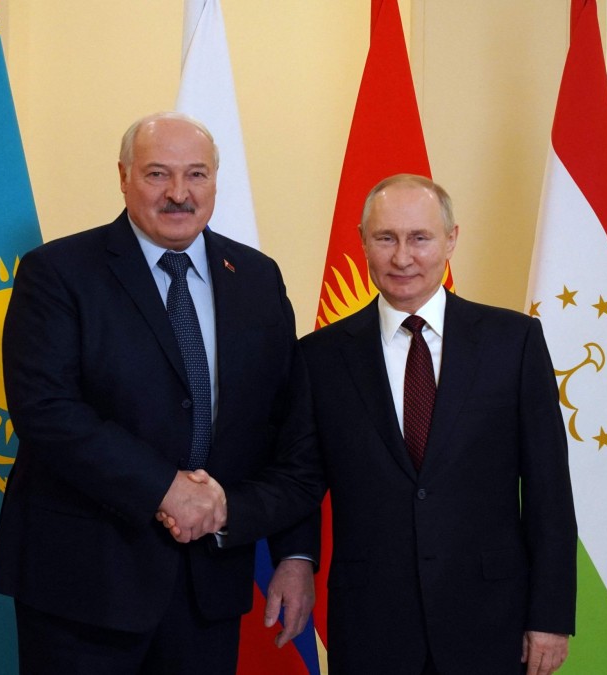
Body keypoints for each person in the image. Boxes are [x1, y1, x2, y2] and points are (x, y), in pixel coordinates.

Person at [170, 174, 577, 674]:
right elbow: (299, 478)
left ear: (451, 239)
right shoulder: (320, 357)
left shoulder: (513, 343)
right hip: (372, 627)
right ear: (362, 241)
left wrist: (551, 618)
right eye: (386, 238)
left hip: (490, 623)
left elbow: (549, 493)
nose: (402, 257)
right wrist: (248, 525)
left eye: (420, 238)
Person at [0, 111, 322, 674]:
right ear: (123, 176)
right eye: (157, 175)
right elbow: (46, 412)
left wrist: (294, 553)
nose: (178, 194)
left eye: (195, 175)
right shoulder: (59, 272)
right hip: (83, 585)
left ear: (216, 180)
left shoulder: (258, 279)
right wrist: (164, 489)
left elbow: (289, 430)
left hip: (209, 587)